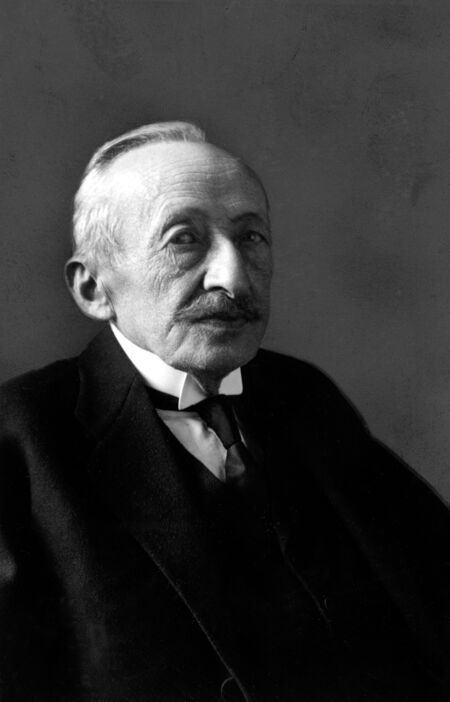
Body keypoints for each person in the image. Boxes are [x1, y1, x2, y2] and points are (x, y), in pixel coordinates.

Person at [0, 121, 448, 702]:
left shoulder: (303, 396)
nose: (233, 278)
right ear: (93, 289)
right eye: (183, 239)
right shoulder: (21, 437)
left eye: (251, 237)